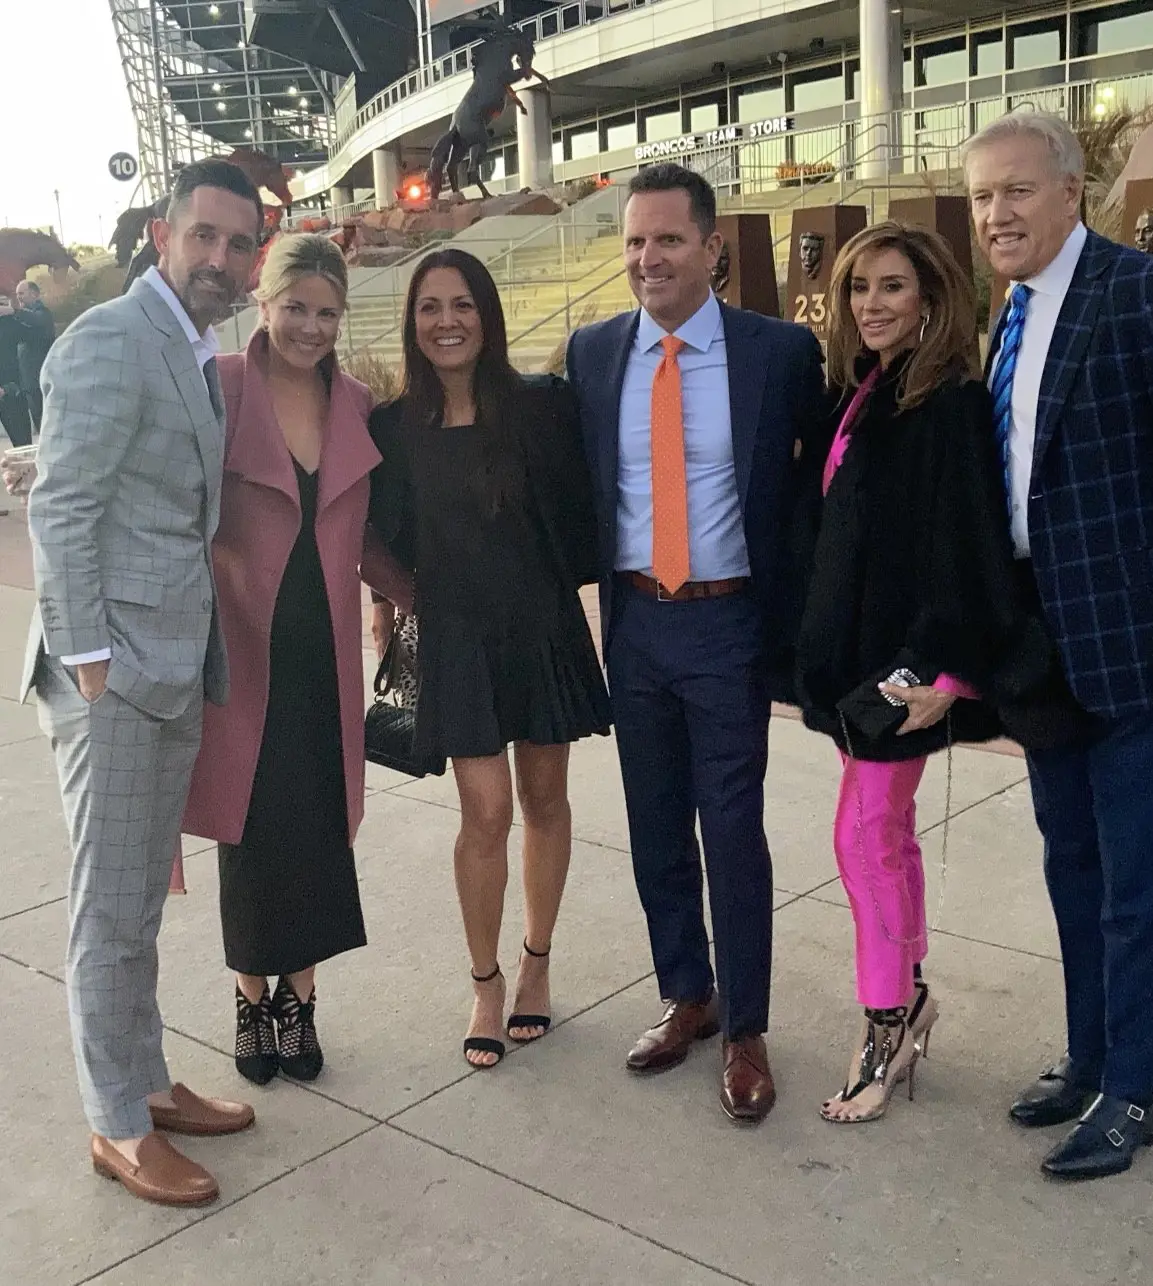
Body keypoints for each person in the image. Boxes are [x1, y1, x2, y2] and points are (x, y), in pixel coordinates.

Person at [966, 112, 1153, 1180]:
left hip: (1143, 647)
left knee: (1140, 879)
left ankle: (1135, 1087)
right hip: (1044, 649)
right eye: (980, 197)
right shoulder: (1010, 315)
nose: (995, 214)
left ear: (1069, 193)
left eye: (1014, 191)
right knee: (1075, 866)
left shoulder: (1146, 294)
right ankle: (1090, 1051)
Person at [19, 158, 265, 1207]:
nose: (220, 258)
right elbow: (62, 506)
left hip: (161, 661)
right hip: (114, 672)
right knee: (110, 907)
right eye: (203, 236)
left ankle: (146, 1076)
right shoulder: (112, 339)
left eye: (237, 243)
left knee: (135, 904)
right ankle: (117, 1122)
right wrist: (90, 665)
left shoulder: (194, 342)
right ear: (164, 235)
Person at [563, 163, 827, 1124]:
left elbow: (826, 485)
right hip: (635, 625)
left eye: (667, 240)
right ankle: (689, 993)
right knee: (653, 820)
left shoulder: (778, 354)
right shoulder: (592, 354)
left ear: (712, 248)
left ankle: (748, 1025)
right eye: (635, 242)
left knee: (731, 826)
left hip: (728, 623)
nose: (648, 259)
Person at [794, 222, 1057, 1125]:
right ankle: (908, 995)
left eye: (893, 287)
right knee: (884, 834)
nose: (872, 304)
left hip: (906, 664)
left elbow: (970, 547)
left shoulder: (944, 403)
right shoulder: (867, 390)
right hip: (856, 660)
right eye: (861, 287)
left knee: (862, 838)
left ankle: (887, 1019)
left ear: (933, 299)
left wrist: (947, 670)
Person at [367, 247, 610, 1070]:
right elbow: (368, 530)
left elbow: (587, 505)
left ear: (488, 314)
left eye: (463, 304)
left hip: (539, 624)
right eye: (430, 306)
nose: (447, 321)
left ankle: (538, 961)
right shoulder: (393, 428)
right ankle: (486, 980)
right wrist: (399, 596)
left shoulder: (542, 407)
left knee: (546, 800)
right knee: (485, 814)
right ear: (412, 322)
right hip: (457, 639)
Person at [181, 234, 386, 1086]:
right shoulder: (220, 387)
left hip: (324, 651)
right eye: (295, 307)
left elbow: (371, 527)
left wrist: (401, 598)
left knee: (318, 827)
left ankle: (299, 1002)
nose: (310, 326)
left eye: (326, 312)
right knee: (250, 829)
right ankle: (250, 996)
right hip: (240, 648)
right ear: (261, 304)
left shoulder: (359, 401)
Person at [14, 280, 56, 431]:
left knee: (48, 425)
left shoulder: (43, 314)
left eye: (21, 293)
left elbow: (36, 320)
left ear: (34, 294)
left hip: (42, 379)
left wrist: (14, 312)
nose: (18, 297)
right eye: (17, 294)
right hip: (29, 383)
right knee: (39, 425)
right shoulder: (23, 319)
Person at [0, 294, 30, 448]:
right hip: (10, 389)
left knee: (23, 445)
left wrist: (14, 311)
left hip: (11, 389)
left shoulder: (8, 323)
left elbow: (36, 334)